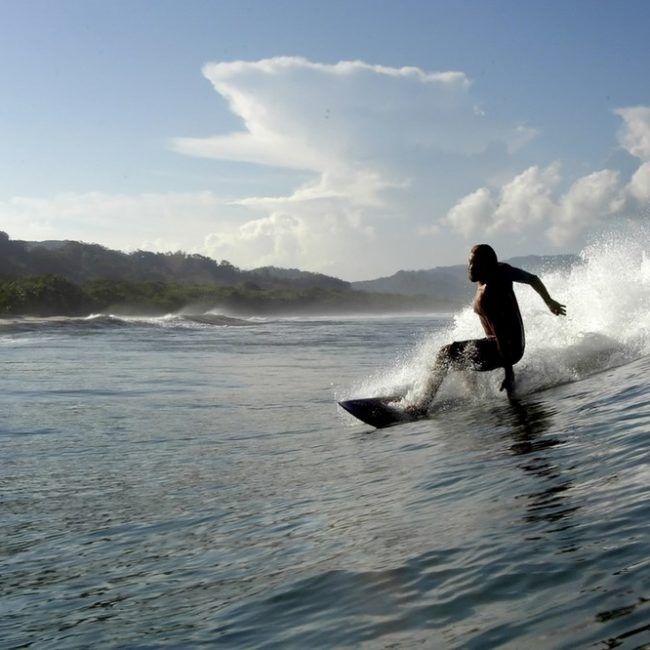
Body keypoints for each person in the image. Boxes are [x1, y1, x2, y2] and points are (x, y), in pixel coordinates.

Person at [407, 244, 566, 413]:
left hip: (504, 348)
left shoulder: (488, 295)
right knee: (463, 353)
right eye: (469, 263)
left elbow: (501, 334)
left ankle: (421, 406)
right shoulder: (503, 271)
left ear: (486, 266)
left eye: (474, 264)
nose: (470, 268)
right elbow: (533, 279)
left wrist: (509, 373)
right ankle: (472, 395)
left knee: (446, 353)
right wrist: (549, 301)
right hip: (509, 345)